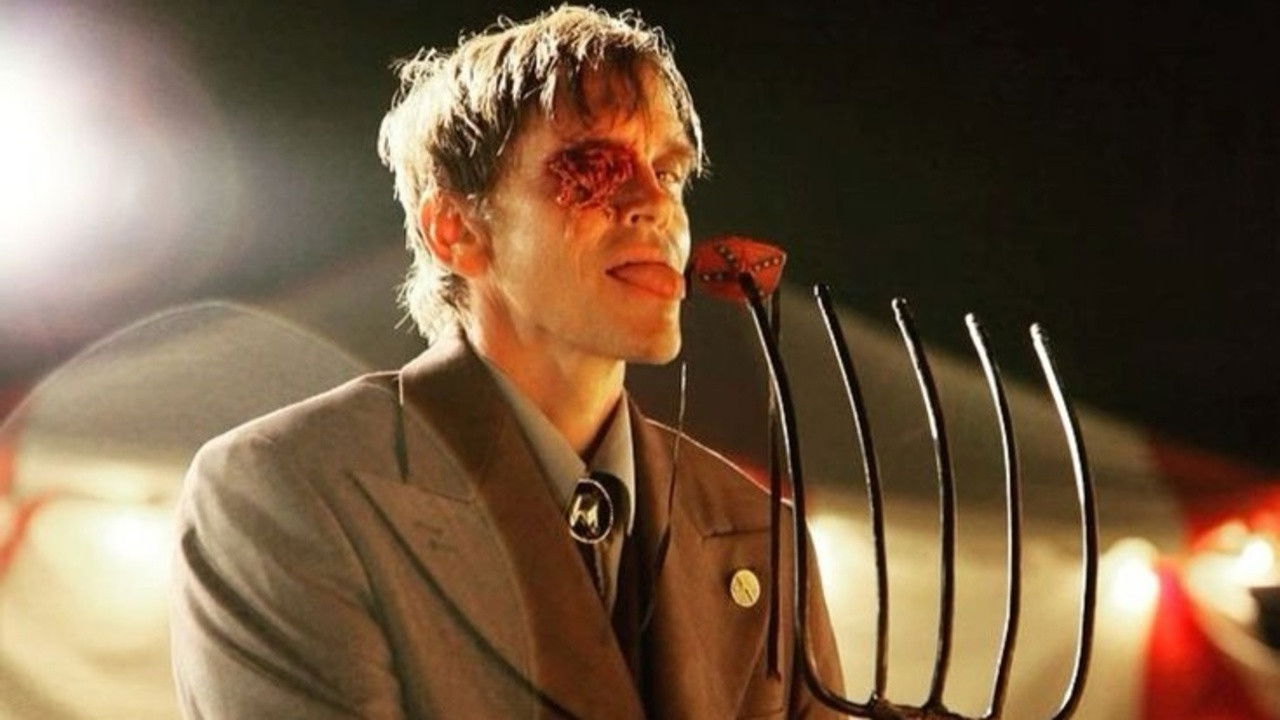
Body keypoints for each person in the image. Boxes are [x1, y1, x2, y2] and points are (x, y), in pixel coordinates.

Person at [170, 6, 843, 718]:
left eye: (670, 172)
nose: (656, 206)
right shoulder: (292, 488)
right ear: (456, 230)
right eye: (594, 167)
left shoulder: (760, 531)